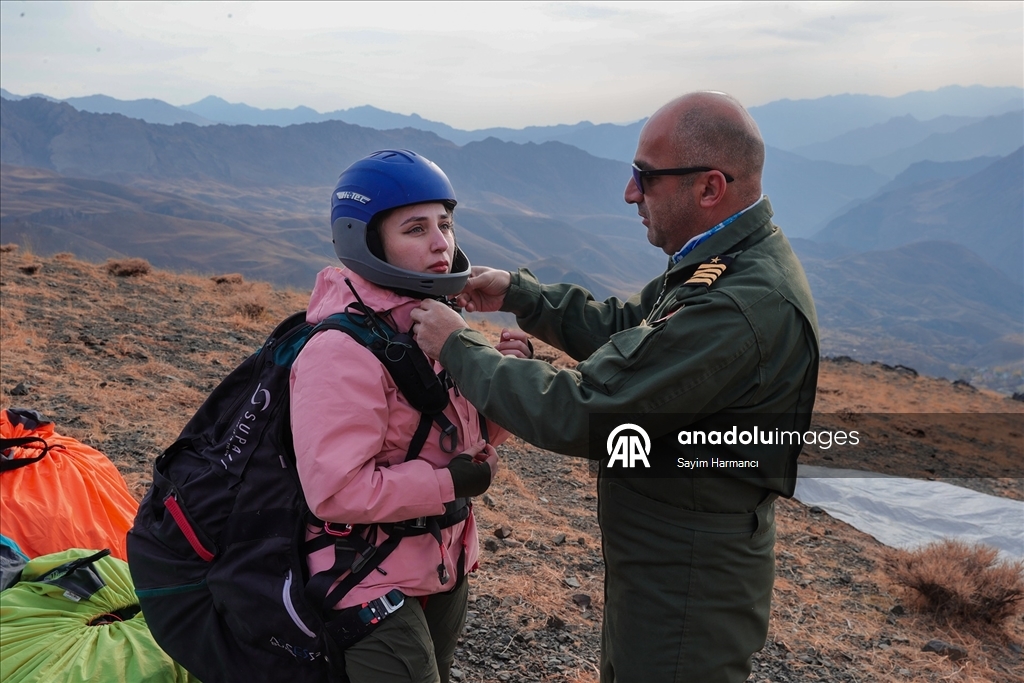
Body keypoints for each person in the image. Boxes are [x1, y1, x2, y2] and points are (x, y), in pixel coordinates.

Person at [409, 93, 820, 683]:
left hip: (688, 567)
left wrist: (457, 344)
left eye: (646, 178)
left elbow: (587, 411)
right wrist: (524, 296)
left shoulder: (737, 303)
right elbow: (634, 332)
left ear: (710, 188)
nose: (631, 193)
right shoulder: (725, 260)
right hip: (671, 546)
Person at [291, 149, 529, 683]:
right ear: (368, 240)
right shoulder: (340, 350)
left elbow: (465, 435)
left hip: (440, 562)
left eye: (444, 224)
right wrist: (447, 482)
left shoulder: (436, 324)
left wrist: (505, 381)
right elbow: (334, 491)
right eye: (416, 229)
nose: (441, 243)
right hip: (363, 574)